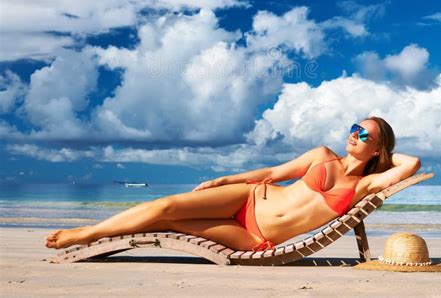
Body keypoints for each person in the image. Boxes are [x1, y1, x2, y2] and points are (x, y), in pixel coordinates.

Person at [45, 117, 421, 251]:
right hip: (250, 198)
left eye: (364, 134)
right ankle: (88, 234)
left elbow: (412, 163)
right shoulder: (321, 155)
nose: (353, 134)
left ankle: (94, 232)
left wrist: (384, 153)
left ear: (377, 148)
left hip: (257, 238)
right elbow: (271, 175)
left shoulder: (364, 186)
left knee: (169, 225)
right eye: (354, 128)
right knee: (165, 208)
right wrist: (224, 179)